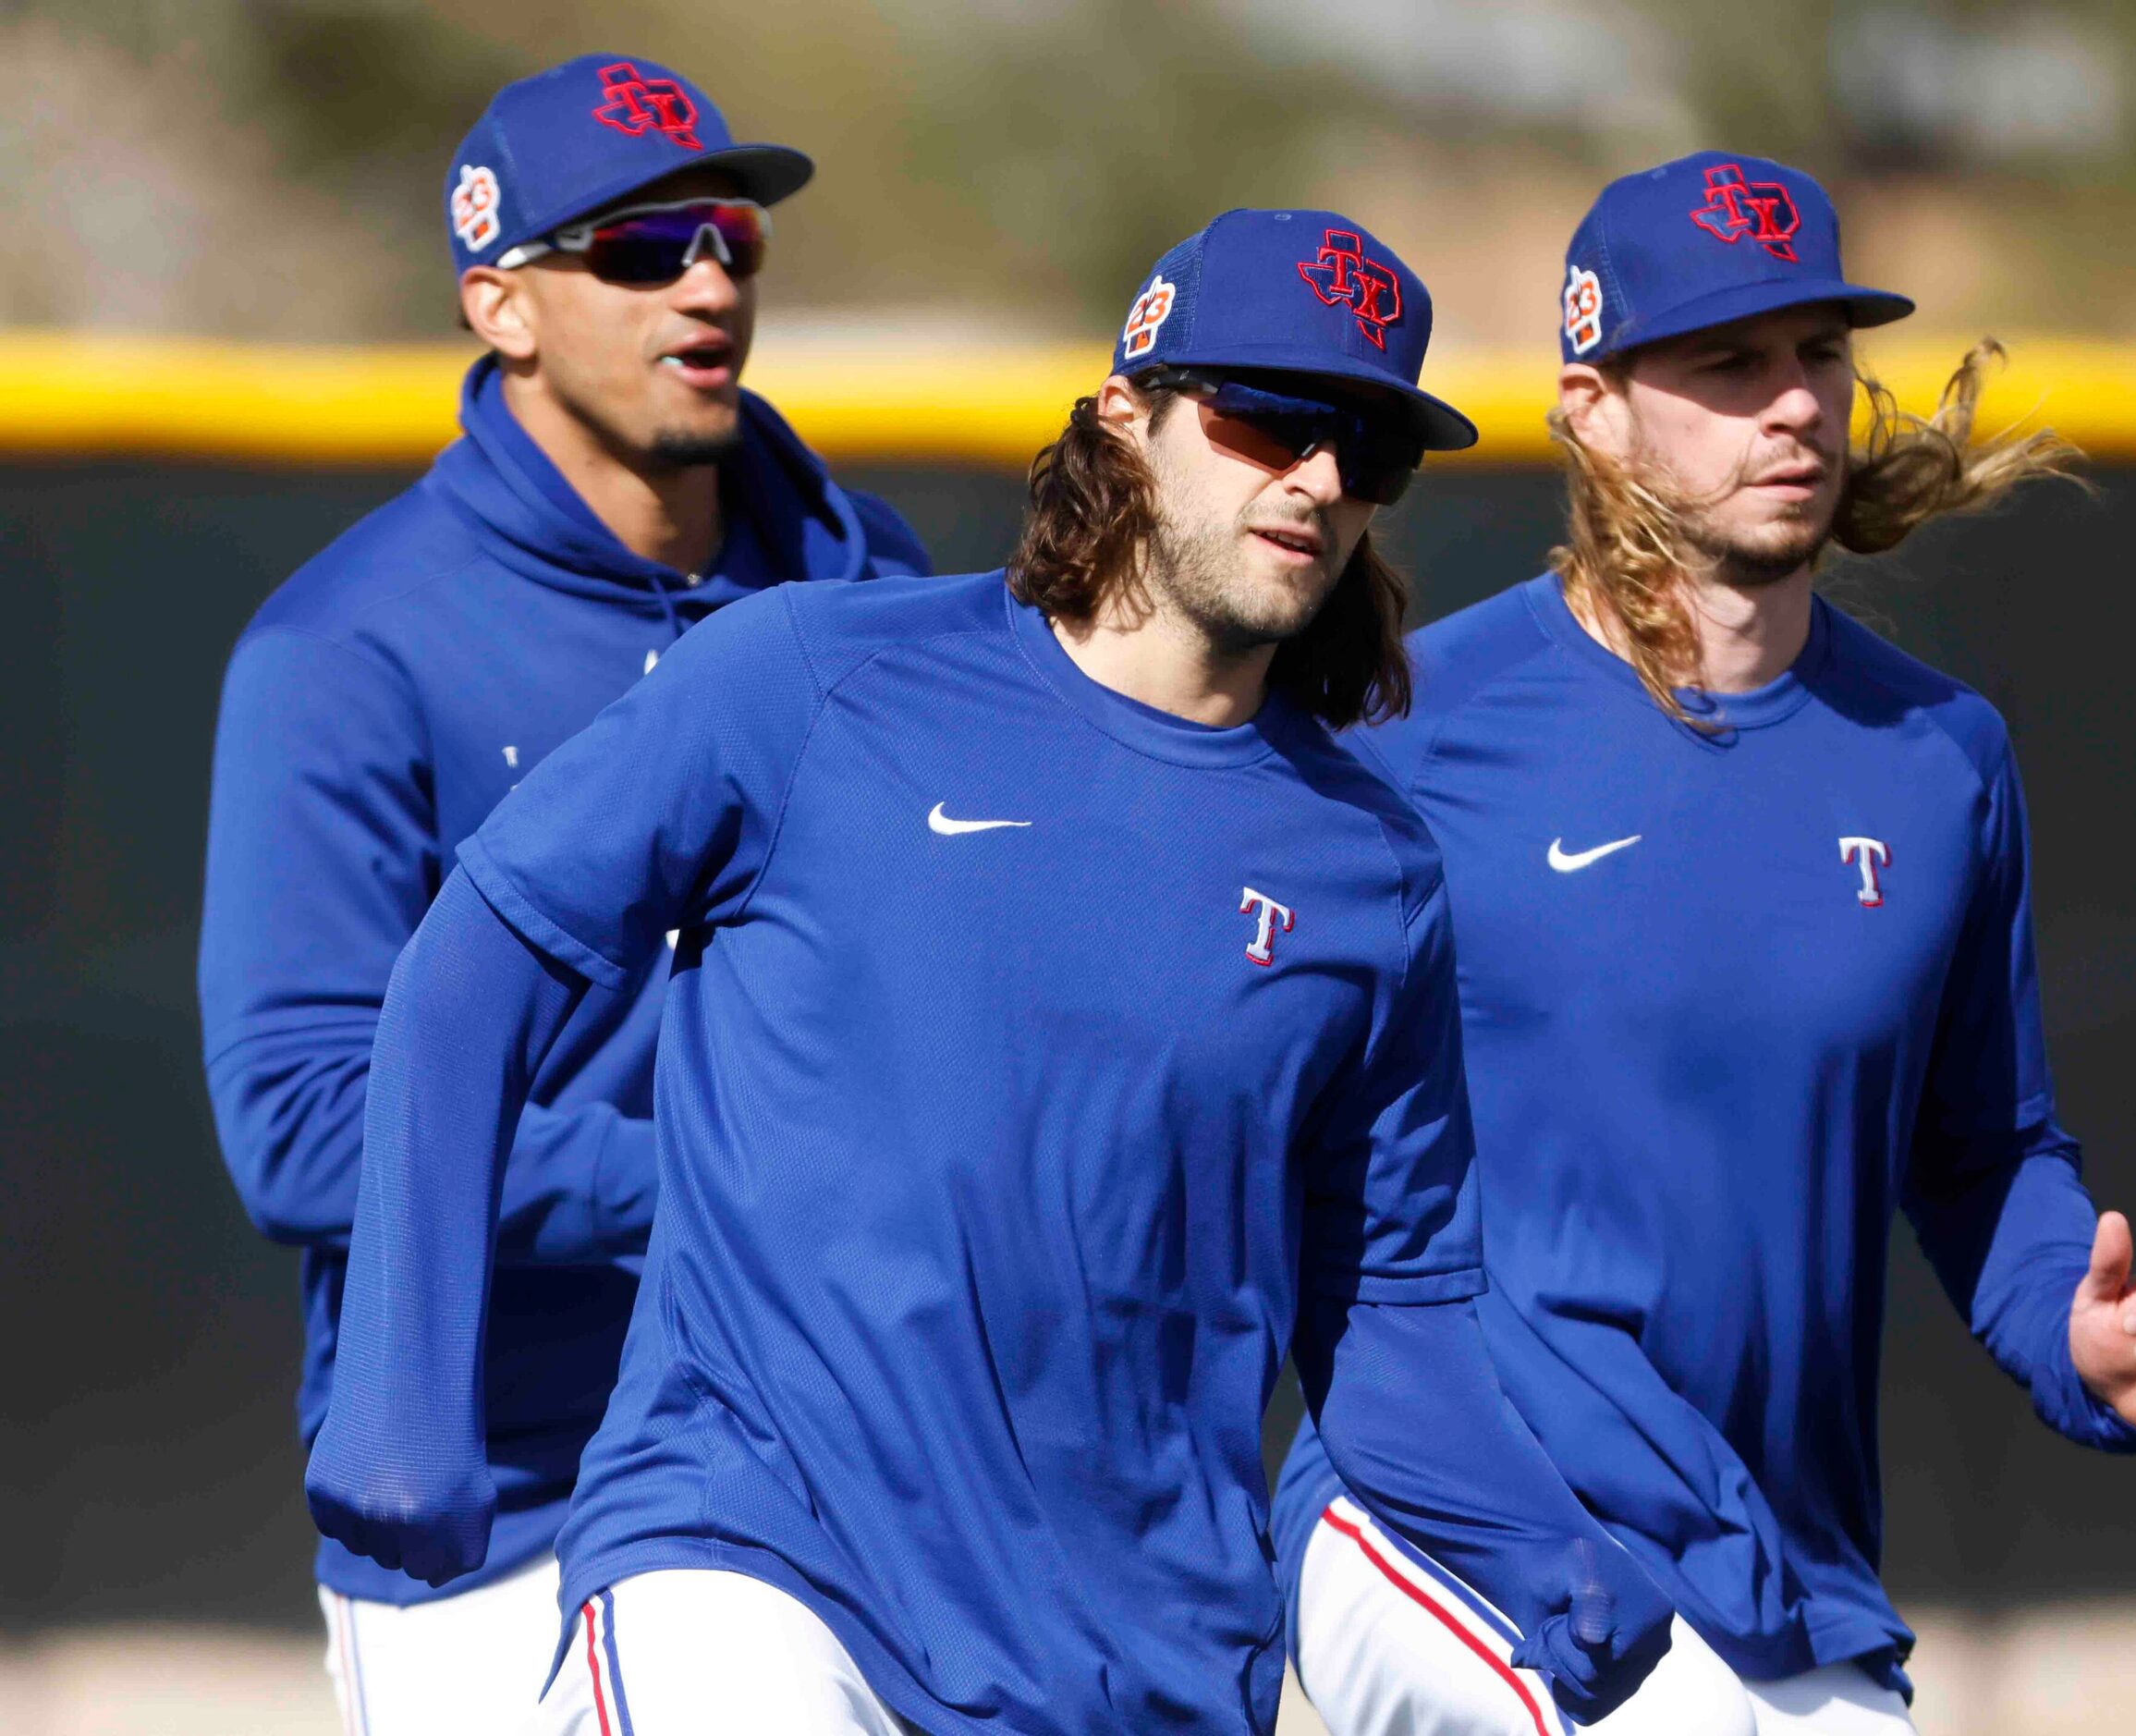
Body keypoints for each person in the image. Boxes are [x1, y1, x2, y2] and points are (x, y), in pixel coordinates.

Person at [299, 208, 1674, 1736]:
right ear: (1124, 416)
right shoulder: (812, 680)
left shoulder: (1375, 873)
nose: (1320, 478)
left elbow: (1389, 1316)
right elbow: (474, 965)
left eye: (1370, 446)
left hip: (1143, 1658)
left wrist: (1531, 1540)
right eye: (1267, 416)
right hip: (751, 1571)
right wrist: (402, 1382)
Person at [1273, 152, 2136, 1736]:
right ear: (1590, 406)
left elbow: (1985, 1147)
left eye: (1818, 354)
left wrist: (2080, 1324)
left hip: (1778, 1567)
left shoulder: (1940, 755)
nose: (1794, 404)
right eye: (1730, 363)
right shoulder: (1403, 732)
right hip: (1449, 1509)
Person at [198, 53, 930, 1735]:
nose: (710, 281)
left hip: (848, 1452)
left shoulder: (873, 589)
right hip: (510, 1491)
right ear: (500, 306)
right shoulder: (348, 648)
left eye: (733, 237)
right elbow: (307, 1121)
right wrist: (714, 1185)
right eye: (640, 247)